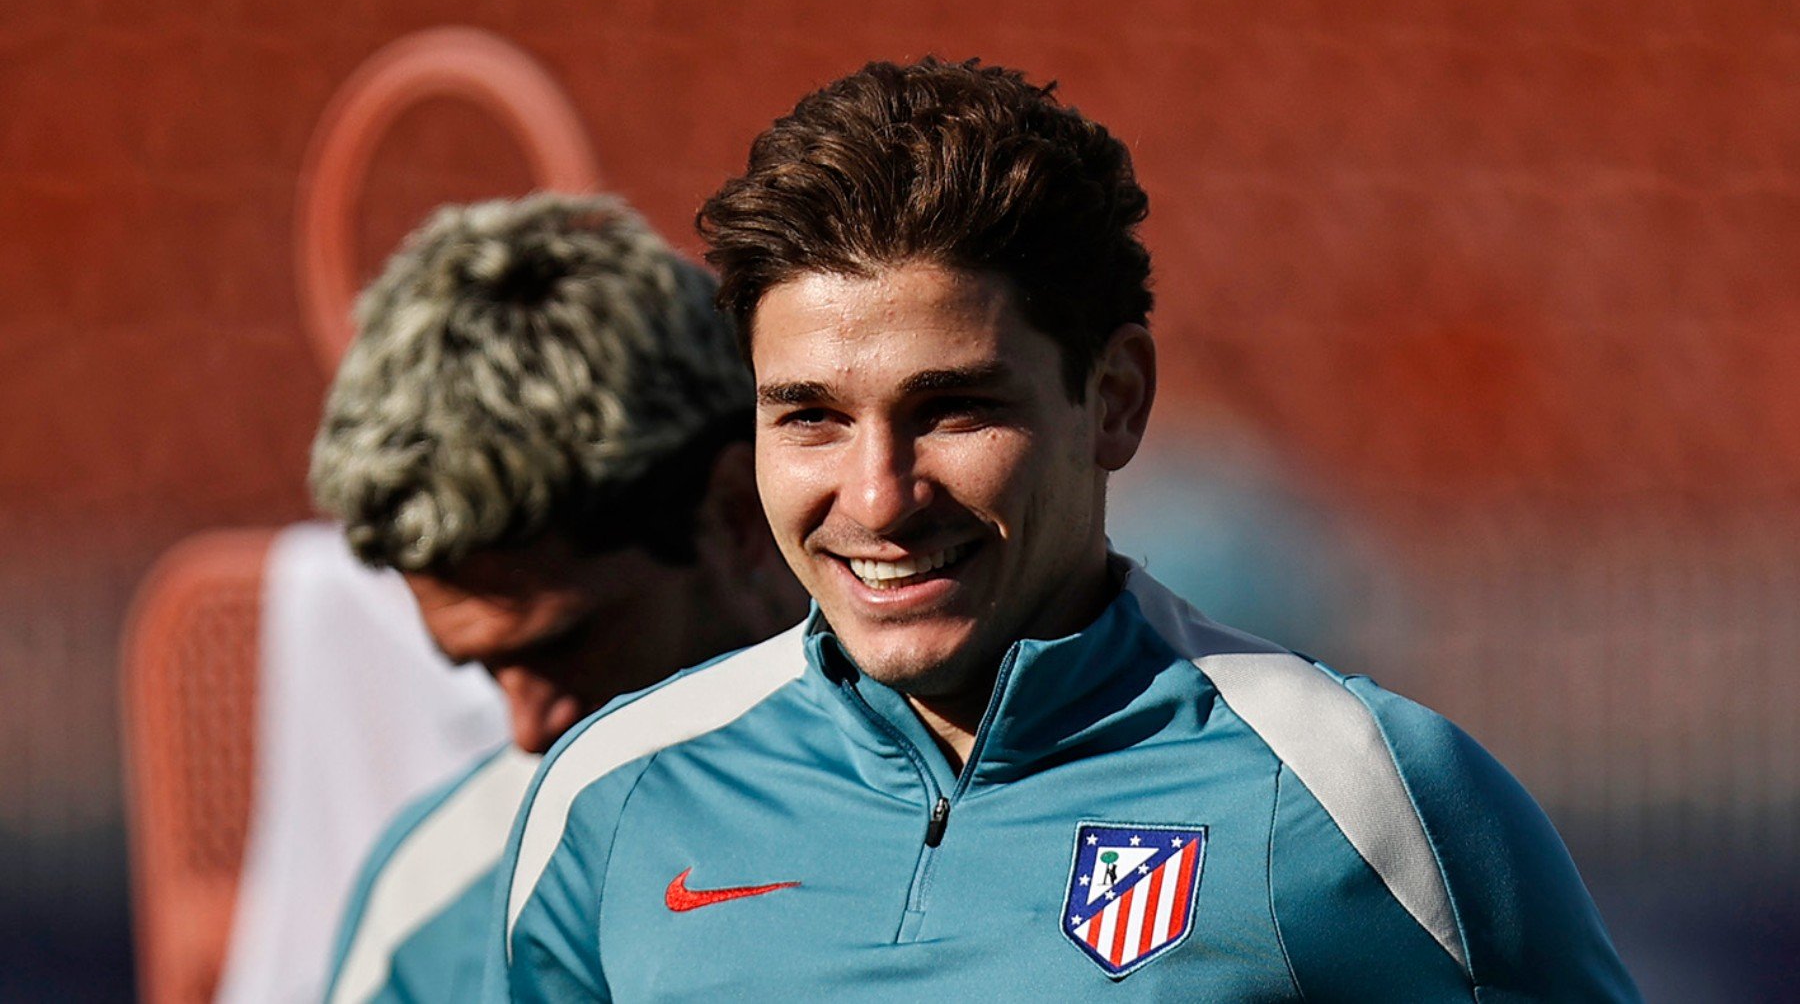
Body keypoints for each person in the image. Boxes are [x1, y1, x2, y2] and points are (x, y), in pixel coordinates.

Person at [488, 61, 1639, 1001]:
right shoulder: (616, 795)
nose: (880, 497)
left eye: (955, 408)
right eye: (813, 417)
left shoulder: (1361, 795)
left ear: (1117, 398)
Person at [309, 193, 805, 1003]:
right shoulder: (428, 907)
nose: (527, 728)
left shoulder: (1047, 776)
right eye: (482, 668)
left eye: (563, 646)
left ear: (734, 515)